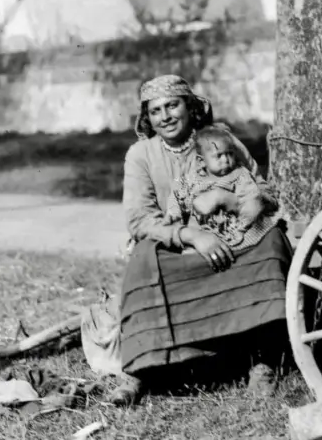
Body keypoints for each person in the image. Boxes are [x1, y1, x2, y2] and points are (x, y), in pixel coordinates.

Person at [84, 75, 291, 407]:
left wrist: (230, 199)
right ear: (147, 118)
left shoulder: (220, 139)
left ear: (191, 108)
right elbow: (139, 219)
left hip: (233, 235)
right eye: (155, 111)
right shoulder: (140, 154)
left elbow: (263, 190)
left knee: (271, 242)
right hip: (176, 242)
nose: (165, 116)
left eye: (172, 106)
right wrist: (190, 234)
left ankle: (262, 359)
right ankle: (140, 370)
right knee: (144, 259)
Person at [164, 124, 279, 251]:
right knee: (190, 250)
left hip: (236, 227)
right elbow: (177, 194)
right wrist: (173, 213)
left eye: (229, 154)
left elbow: (252, 196)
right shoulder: (193, 178)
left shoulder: (239, 174)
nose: (226, 160)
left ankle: (239, 239)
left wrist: (242, 218)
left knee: (254, 207)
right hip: (204, 232)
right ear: (202, 161)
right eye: (218, 155)